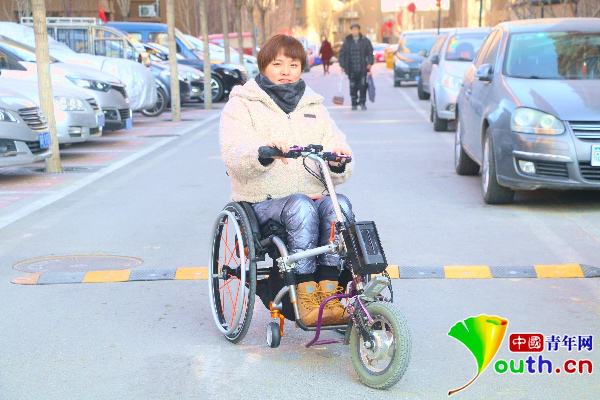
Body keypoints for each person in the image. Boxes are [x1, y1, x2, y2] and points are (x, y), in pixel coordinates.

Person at [219, 34, 355, 327]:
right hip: (262, 201)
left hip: (312, 196)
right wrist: (263, 152)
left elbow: (335, 143)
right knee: (301, 206)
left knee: (340, 206)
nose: (285, 71)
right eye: (277, 64)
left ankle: (330, 293)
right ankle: (305, 296)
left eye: (293, 65)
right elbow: (233, 151)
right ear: (263, 65)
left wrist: (339, 160)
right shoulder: (242, 104)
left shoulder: (313, 106)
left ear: (302, 67)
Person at [338, 23, 374, 111]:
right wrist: (342, 65)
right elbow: (342, 54)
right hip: (351, 69)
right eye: (352, 29)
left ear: (359, 30)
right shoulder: (347, 41)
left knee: (363, 86)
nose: (354, 31)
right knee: (352, 87)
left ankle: (362, 103)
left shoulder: (365, 41)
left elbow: (370, 52)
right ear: (351, 31)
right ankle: (354, 103)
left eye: (356, 29)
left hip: (362, 69)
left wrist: (370, 62)